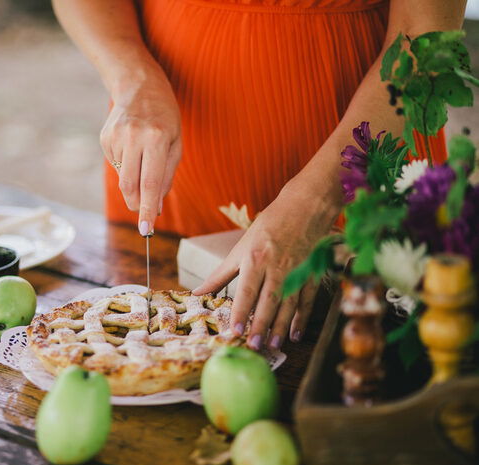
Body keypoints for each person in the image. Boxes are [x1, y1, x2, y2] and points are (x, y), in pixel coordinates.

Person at [52, 0, 466, 350]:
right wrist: (133, 80)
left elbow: (427, 38)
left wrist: (316, 200)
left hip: (364, 149)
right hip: (177, 148)